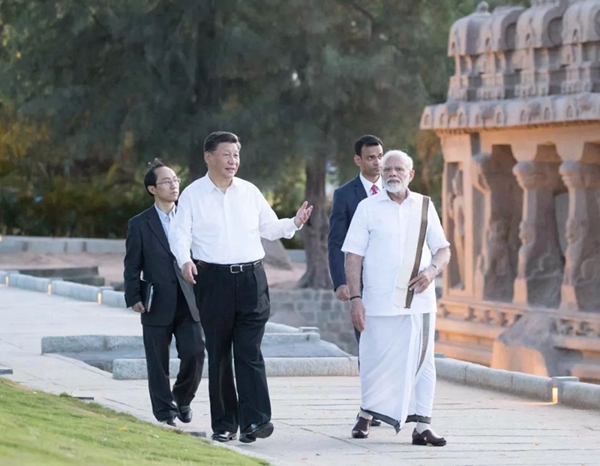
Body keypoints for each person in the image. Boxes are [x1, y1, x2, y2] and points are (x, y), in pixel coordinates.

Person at [169, 131, 312, 444]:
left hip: (251, 280)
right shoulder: (192, 195)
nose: (233, 160)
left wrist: (295, 222)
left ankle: (256, 421)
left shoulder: (249, 192)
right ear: (208, 157)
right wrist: (185, 261)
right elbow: (179, 234)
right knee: (219, 353)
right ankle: (225, 424)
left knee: (249, 351)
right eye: (226, 154)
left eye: (236, 154)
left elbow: (270, 228)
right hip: (212, 281)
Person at [342, 150, 451, 444]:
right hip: (377, 302)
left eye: (399, 169)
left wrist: (431, 271)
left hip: (418, 302)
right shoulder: (367, 207)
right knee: (374, 360)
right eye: (387, 169)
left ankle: (423, 425)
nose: (392, 173)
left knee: (423, 362)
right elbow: (353, 257)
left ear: (410, 174)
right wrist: (355, 299)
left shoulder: (424, 206)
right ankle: (366, 413)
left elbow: (443, 250)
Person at [124, 159, 205, 427]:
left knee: (195, 353)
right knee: (157, 362)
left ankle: (182, 398)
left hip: (189, 299)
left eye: (176, 180)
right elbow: (132, 264)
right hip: (156, 301)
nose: (174, 185)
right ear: (152, 189)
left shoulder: (191, 218)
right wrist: (133, 296)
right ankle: (165, 412)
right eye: (166, 181)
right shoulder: (139, 224)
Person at [327, 134, 383, 427]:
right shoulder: (345, 195)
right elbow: (336, 242)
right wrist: (341, 281)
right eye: (371, 157)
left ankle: (392, 404)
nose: (377, 162)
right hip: (360, 283)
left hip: (393, 282)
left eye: (380, 156)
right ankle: (371, 407)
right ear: (358, 160)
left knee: (392, 345)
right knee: (368, 344)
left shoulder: (397, 190)